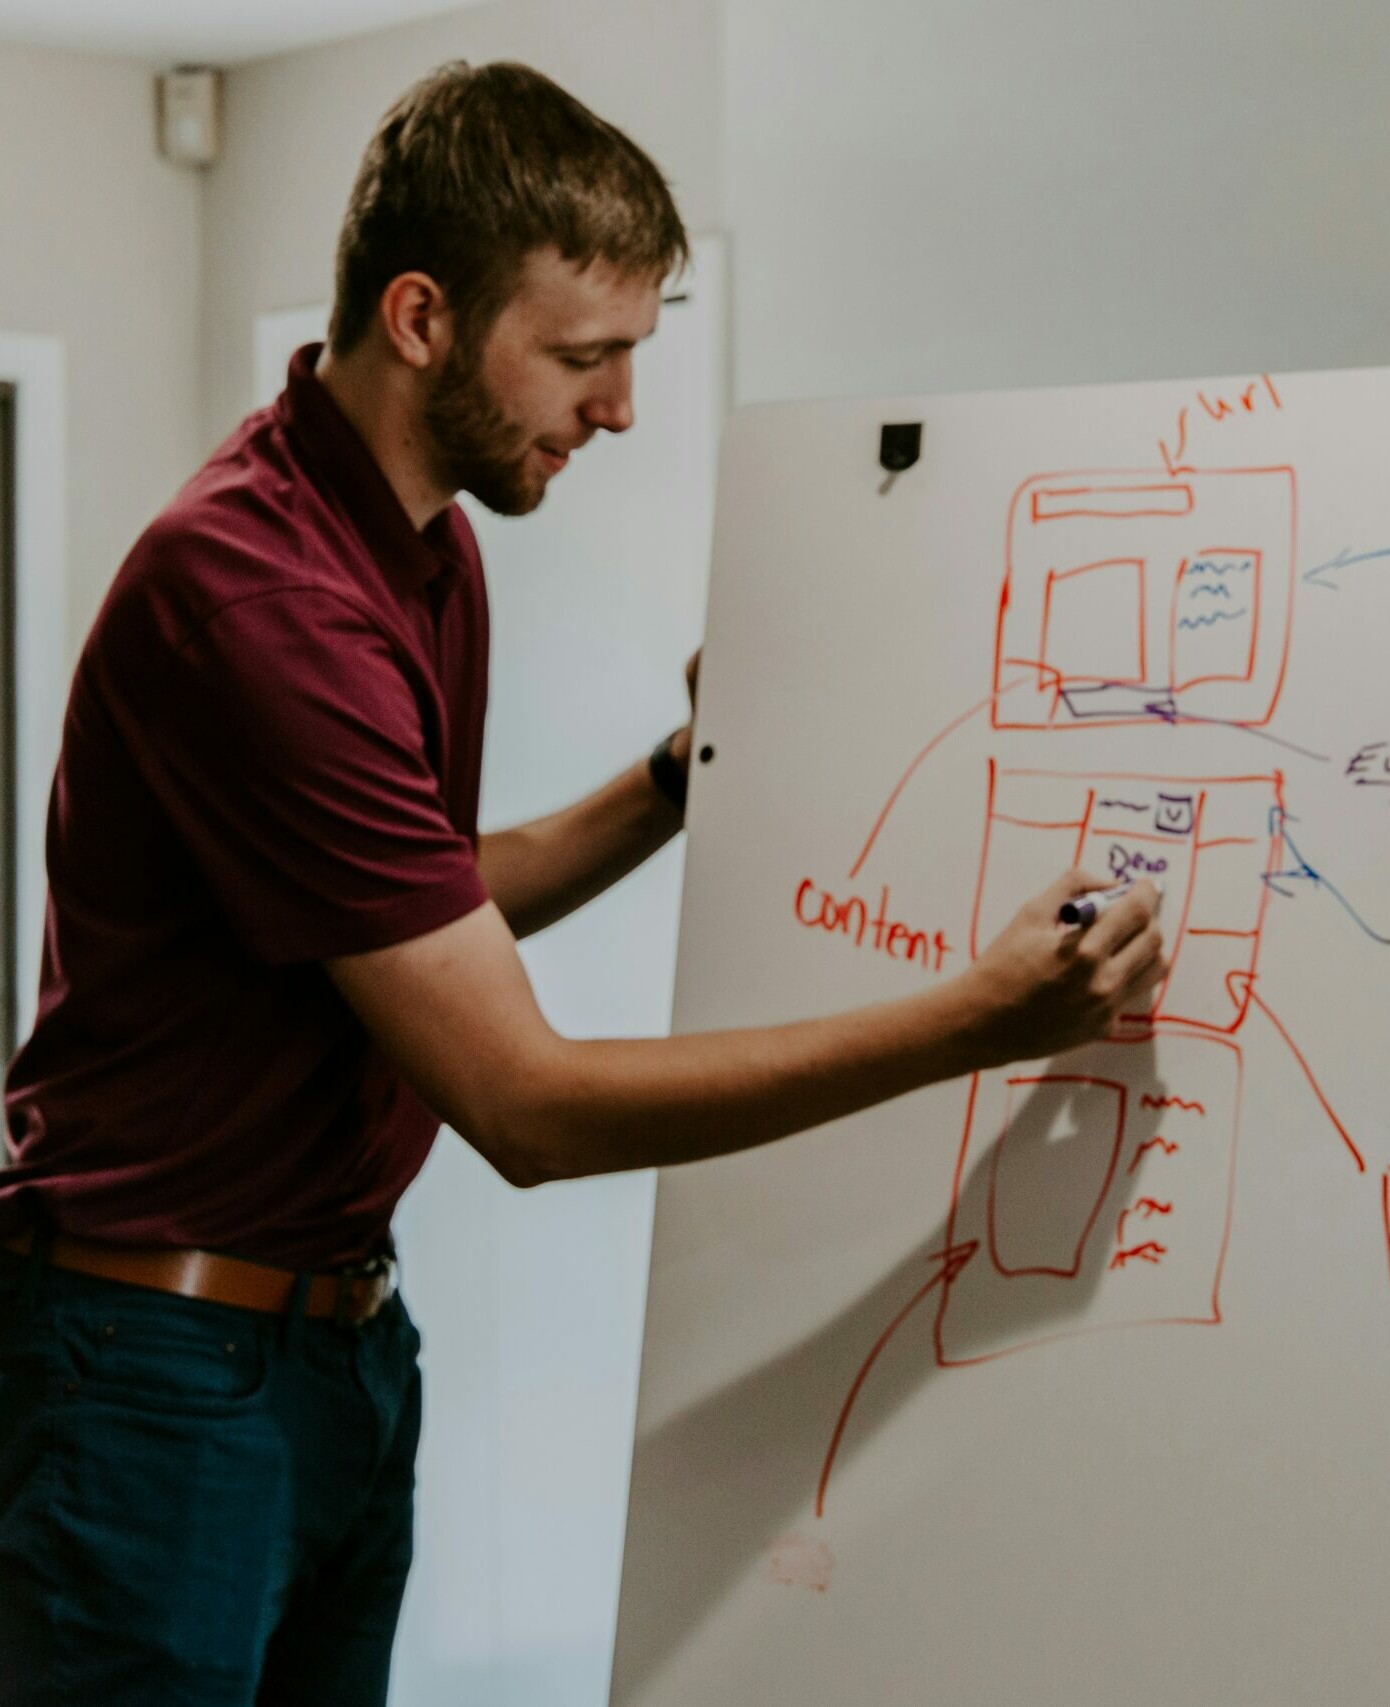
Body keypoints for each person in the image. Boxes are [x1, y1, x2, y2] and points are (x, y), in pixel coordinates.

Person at [0, 62, 1162, 1706]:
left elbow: (413, 900)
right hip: (157, 1376)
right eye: (585, 355)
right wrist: (980, 1019)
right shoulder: (255, 599)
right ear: (419, 317)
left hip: (326, 1352)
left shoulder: (419, 546)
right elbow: (526, 1107)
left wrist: (681, 785)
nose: (617, 408)